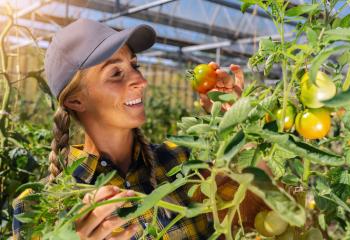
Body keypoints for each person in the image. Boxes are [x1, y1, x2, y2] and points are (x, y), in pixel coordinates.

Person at [12, 18, 264, 240]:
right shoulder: (40, 205)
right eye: (116, 73)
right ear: (76, 100)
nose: (141, 82)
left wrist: (241, 128)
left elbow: (252, 218)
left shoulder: (183, 161)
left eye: (135, 66)